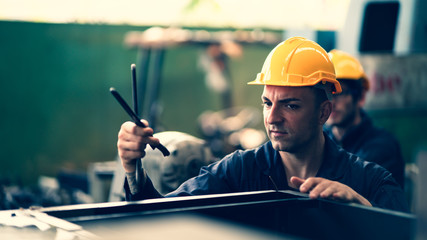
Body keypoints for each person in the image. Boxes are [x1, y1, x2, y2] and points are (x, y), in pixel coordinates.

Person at [117, 37, 408, 212]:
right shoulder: (238, 171)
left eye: (290, 105)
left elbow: (406, 233)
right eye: (268, 103)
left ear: (323, 113)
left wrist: (365, 212)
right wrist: (133, 169)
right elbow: (161, 215)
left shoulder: (371, 182)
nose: (272, 117)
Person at [324, 49, 405, 188]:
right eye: (326, 94)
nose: (331, 102)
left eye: (339, 93)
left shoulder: (382, 146)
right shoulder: (322, 138)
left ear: (360, 97)